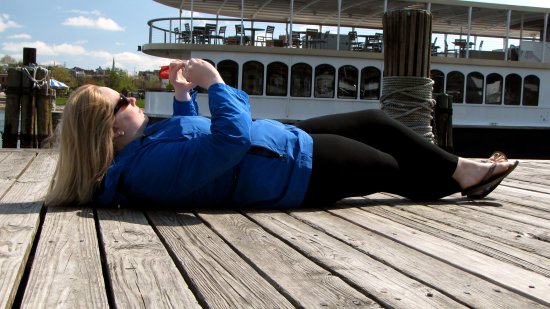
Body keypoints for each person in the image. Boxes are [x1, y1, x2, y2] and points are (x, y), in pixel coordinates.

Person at [45, 58, 518, 208]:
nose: (132, 99)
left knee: (375, 121)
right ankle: (466, 175)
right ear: (108, 131)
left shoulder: (141, 152)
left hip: (277, 145)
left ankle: (463, 172)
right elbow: (225, 145)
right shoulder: (143, 172)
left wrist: (186, 98)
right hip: (294, 172)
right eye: (123, 101)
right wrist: (216, 84)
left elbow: (190, 141)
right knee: (394, 170)